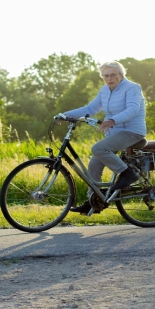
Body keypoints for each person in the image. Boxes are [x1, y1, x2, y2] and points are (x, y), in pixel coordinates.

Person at [59, 61, 147, 214]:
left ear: (121, 75)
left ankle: (128, 174)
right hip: (115, 133)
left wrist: (113, 120)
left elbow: (133, 109)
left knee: (98, 148)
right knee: (94, 165)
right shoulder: (105, 91)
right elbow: (90, 108)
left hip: (132, 132)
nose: (109, 78)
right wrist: (66, 115)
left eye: (113, 75)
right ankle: (94, 201)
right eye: (106, 76)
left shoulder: (132, 88)